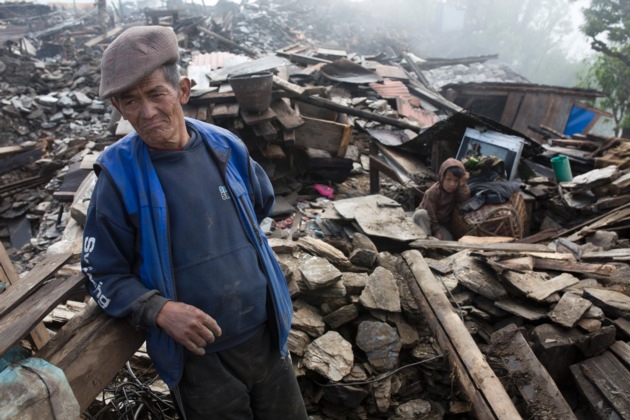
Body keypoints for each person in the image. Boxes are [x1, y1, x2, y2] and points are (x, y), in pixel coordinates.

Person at [81, 26, 308, 420]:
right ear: (119, 108)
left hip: (267, 338)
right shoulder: (118, 178)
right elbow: (100, 273)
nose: (147, 112)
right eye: (131, 101)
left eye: (156, 94)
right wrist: (160, 310)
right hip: (199, 364)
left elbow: (260, 205)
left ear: (183, 90)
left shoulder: (225, 147)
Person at [413, 157, 470, 240]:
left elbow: (464, 199)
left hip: (440, 224)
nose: (452, 184)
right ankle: (426, 239)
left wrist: (463, 184)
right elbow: (430, 212)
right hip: (426, 220)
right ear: (441, 177)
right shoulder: (433, 192)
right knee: (421, 214)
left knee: (449, 241)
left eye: (456, 180)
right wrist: (437, 231)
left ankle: (432, 241)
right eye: (448, 179)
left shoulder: (456, 191)